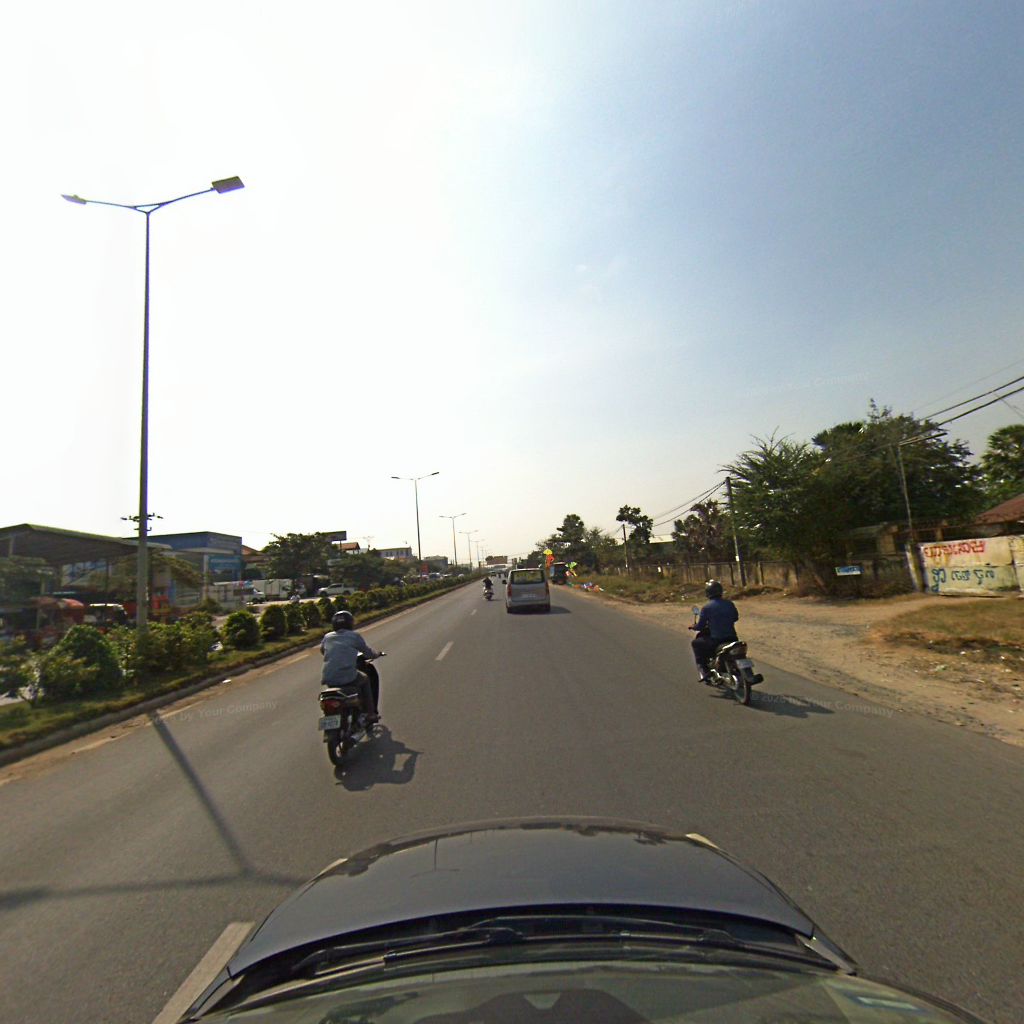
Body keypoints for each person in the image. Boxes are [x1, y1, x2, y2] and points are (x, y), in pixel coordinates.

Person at [320, 610, 383, 725]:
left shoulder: (327, 637)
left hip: (329, 678)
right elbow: (368, 653)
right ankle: (370, 714)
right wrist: (377, 654)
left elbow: (323, 651)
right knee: (365, 679)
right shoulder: (354, 636)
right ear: (350, 623)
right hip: (348, 676)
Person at [688, 580, 739, 684]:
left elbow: (701, 626)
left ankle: (705, 671)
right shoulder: (729, 604)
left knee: (696, 643)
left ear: (708, 593)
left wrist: (693, 627)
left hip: (717, 640)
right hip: (732, 638)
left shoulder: (707, 608)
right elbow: (735, 618)